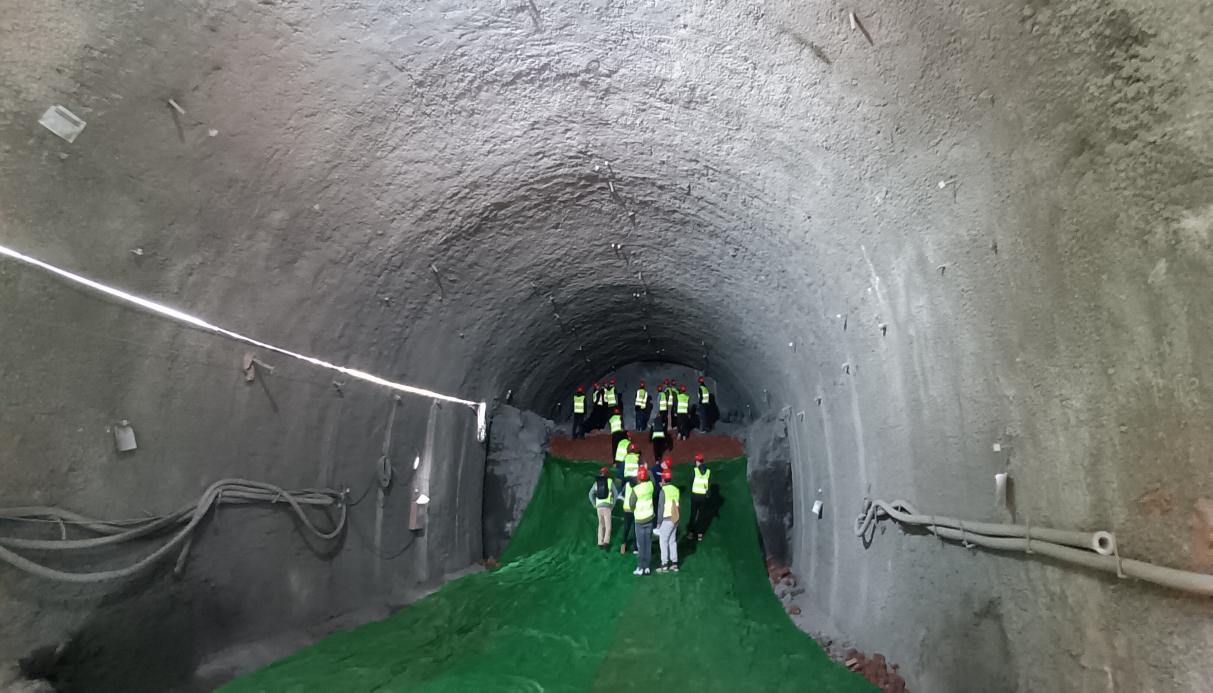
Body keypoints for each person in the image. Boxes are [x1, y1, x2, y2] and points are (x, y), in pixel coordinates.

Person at [629, 466, 656, 575]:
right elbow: (652, 478)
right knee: (648, 544)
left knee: (641, 545)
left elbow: (631, 504)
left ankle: (640, 567)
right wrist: (647, 470)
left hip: (639, 521)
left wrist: (635, 510)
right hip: (650, 519)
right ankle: (647, 567)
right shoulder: (650, 485)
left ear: (639, 477)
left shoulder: (636, 490)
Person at [656, 468, 681, 572]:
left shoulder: (663, 491)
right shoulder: (676, 489)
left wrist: (658, 522)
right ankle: (674, 563)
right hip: (675, 519)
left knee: (663, 541)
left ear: (663, 479)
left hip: (666, 520)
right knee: (672, 541)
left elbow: (661, 507)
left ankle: (664, 564)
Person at [588, 467, 617, 550]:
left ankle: (600, 542)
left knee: (601, 524)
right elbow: (616, 494)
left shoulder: (596, 483)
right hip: (607, 506)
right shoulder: (610, 481)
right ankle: (606, 542)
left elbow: (590, 494)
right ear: (607, 474)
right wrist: (612, 505)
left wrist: (594, 504)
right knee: (608, 525)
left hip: (599, 507)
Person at [690, 453, 710, 540]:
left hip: (695, 496)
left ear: (697, 461)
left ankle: (691, 533)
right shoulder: (708, 471)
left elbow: (691, 481)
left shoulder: (695, 470)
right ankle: (700, 535)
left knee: (693, 514)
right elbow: (708, 484)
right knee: (701, 515)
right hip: (703, 497)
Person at [618, 475, 637, 555]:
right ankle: (636, 548)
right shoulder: (638, 487)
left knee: (626, 528)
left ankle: (623, 547)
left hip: (627, 509)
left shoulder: (627, 485)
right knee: (635, 529)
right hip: (635, 510)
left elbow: (621, 494)